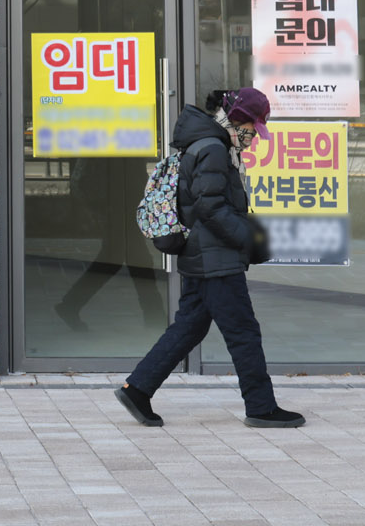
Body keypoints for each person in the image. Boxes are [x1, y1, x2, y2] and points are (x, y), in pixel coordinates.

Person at [114, 87, 305, 429]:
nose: (252, 138)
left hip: (201, 254)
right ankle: (261, 407)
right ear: (235, 121)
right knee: (243, 331)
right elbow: (210, 206)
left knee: (190, 325)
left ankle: (138, 388)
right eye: (251, 129)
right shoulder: (214, 149)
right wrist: (249, 239)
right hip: (215, 258)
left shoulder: (206, 144)